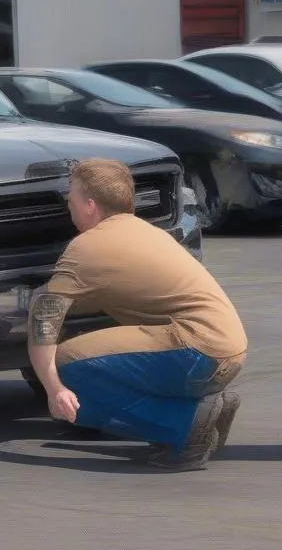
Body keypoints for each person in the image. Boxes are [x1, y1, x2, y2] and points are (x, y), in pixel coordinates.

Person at [26, 158, 247, 471]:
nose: (68, 205)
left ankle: (183, 424)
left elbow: (43, 324)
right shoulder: (146, 232)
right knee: (88, 368)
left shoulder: (87, 247)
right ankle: (202, 408)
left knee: (63, 364)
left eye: (70, 198)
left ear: (90, 206)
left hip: (197, 352)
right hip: (228, 351)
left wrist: (53, 390)